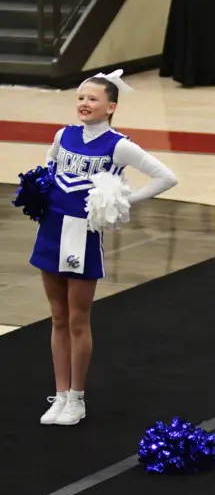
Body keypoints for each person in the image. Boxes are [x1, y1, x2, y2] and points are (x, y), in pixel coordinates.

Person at [33, 71, 178, 426]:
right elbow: (49, 165)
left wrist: (126, 201)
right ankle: (60, 394)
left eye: (93, 99)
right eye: (81, 97)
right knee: (57, 317)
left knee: (77, 319)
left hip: (82, 236)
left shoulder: (118, 145)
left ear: (110, 107)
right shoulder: (63, 135)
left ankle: (77, 399)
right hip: (51, 230)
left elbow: (166, 177)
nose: (84, 103)